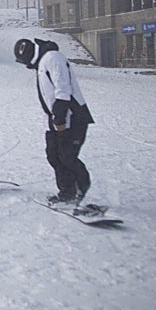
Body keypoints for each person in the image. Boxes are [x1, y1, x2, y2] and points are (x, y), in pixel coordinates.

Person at [15, 37, 96, 204]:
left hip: (72, 118)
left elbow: (63, 90)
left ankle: (82, 186)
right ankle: (67, 191)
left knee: (68, 157)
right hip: (55, 121)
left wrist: (60, 119)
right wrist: (52, 121)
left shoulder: (53, 58)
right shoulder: (42, 62)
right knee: (53, 155)